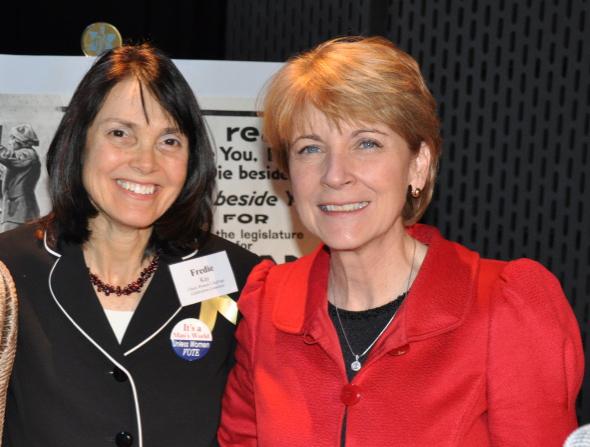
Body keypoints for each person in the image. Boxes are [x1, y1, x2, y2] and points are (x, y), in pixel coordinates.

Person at [218, 36, 584, 446]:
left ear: (418, 165)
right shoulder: (268, 305)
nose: (335, 174)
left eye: (367, 143)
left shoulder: (505, 307)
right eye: (310, 149)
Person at [0, 43, 260, 447]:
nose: (145, 162)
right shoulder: (8, 270)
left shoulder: (241, 278)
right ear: (79, 141)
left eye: (169, 141)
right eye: (120, 133)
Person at [0, 123, 41, 232]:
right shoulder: (24, 156)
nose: (9, 142)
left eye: (12, 138)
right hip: (15, 211)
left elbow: (8, 157)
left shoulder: (28, 154)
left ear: (20, 140)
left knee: (8, 245)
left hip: (19, 212)